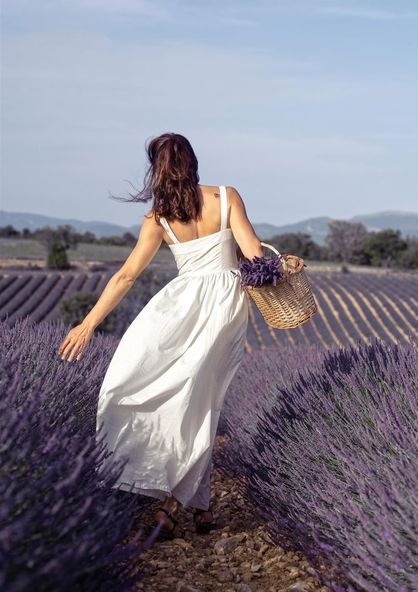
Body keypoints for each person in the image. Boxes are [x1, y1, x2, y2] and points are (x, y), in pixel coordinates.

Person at [57, 132, 264, 539]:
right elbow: (255, 254)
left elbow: (127, 275)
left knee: (171, 395)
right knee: (204, 400)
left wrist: (88, 323)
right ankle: (197, 509)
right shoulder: (226, 196)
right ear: (193, 161)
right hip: (225, 307)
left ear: (157, 169)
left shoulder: (159, 217)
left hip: (179, 306)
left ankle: (172, 506)